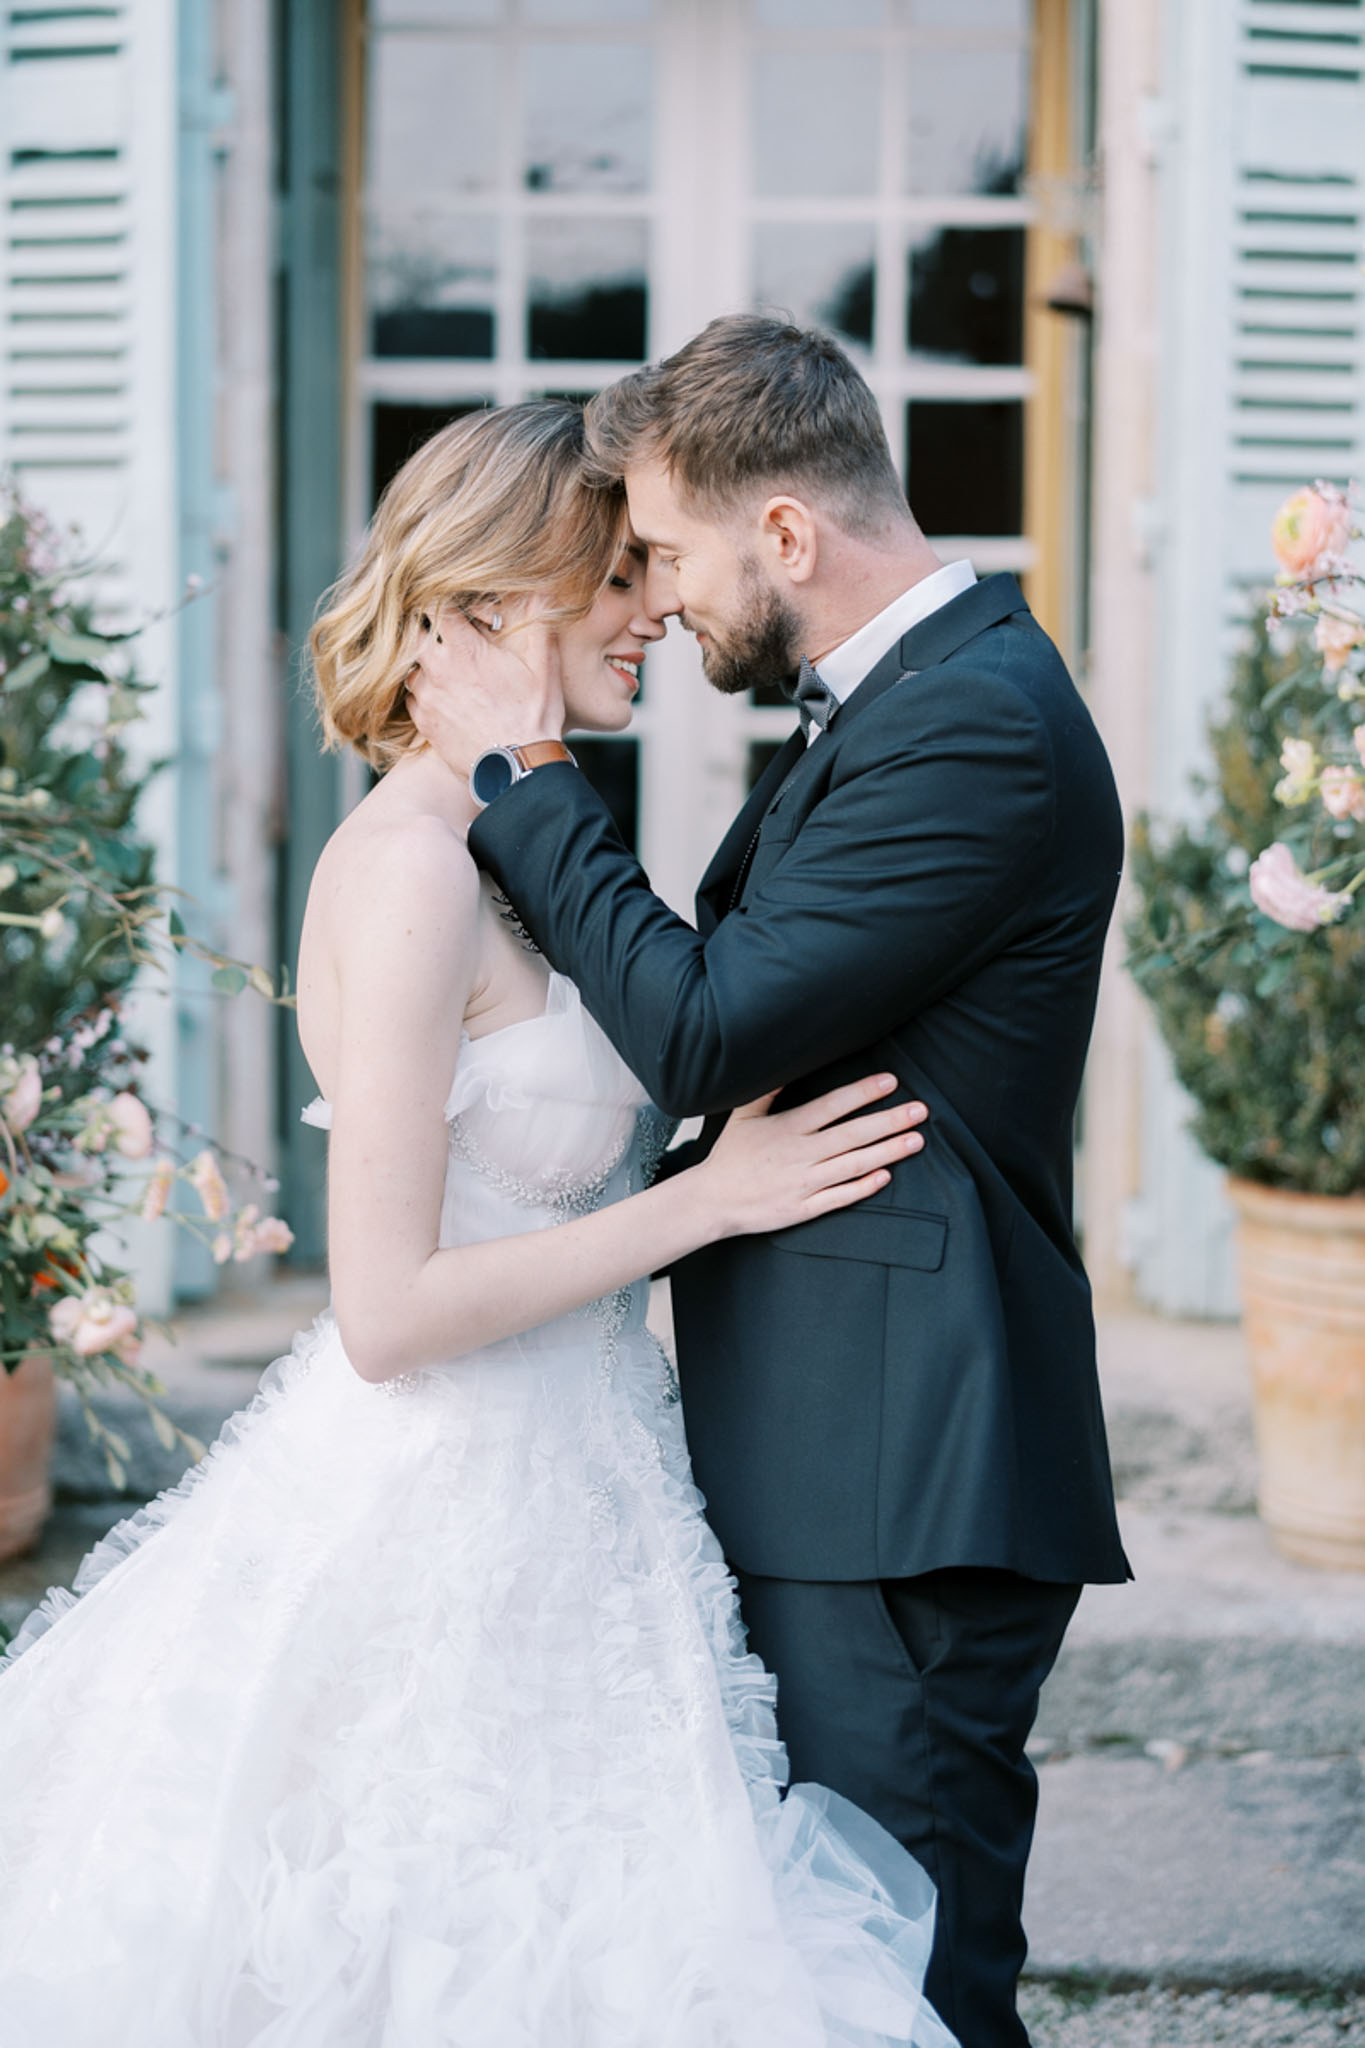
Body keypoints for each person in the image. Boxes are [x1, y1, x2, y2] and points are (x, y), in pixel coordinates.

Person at [0, 400, 957, 2046]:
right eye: (619, 572)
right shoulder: (412, 871)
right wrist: (707, 1203)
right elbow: (385, 1312)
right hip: (447, 1505)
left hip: (586, 1492)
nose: (653, 605)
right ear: (502, 598)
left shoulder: (507, 847)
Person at [406, 317, 1133, 2048]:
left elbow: (709, 1029)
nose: (649, 594)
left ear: (785, 533)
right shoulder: (916, 700)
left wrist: (527, 779)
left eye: (662, 549)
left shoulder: (976, 729)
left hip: (898, 1464)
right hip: (836, 1446)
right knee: (832, 1960)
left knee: (907, 1977)